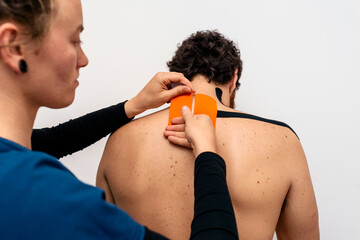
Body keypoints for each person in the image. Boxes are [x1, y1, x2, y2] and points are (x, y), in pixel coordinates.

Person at [0, 1, 239, 239]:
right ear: (14, 46)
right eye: (75, 41)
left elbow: (51, 141)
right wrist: (208, 152)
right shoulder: (55, 200)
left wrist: (132, 106)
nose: (84, 59)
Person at [97, 30, 320, 239]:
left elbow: (100, 231)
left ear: (174, 79)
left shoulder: (120, 140)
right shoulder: (282, 141)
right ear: (233, 79)